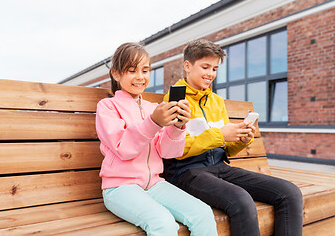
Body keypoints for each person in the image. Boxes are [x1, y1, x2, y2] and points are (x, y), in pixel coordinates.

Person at [163, 38, 303, 236]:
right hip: (187, 172)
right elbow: (176, 150)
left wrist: (241, 139)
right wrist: (220, 135)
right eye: (205, 67)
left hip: (220, 168)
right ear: (188, 66)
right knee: (241, 200)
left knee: (289, 192)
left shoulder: (216, 101)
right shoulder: (175, 100)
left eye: (214, 68)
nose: (211, 74)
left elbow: (225, 148)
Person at [96, 42, 218, 236]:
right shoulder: (108, 107)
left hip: (154, 184)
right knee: (164, 223)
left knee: (203, 213)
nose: (140, 77)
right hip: (119, 188)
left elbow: (169, 152)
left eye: (145, 70)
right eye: (132, 70)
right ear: (116, 74)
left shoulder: (154, 108)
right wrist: (153, 123)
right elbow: (123, 148)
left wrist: (178, 127)